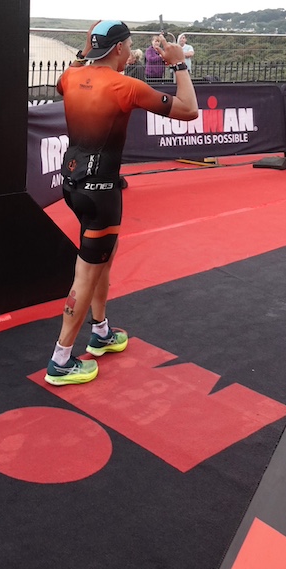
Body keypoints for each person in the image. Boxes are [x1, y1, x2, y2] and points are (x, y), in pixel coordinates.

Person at [45, 20, 199, 386]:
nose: (131, 54)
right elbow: (189, 109)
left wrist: (95, 55)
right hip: (101, 194)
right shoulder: (125, 87)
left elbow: (80, 70)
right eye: (128, 47)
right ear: (117, 50)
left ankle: (100, 331)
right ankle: (61, 360)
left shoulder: (69, 77)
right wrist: (178, 63)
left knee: (101, 260)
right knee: (87, 273)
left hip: (73, 185)